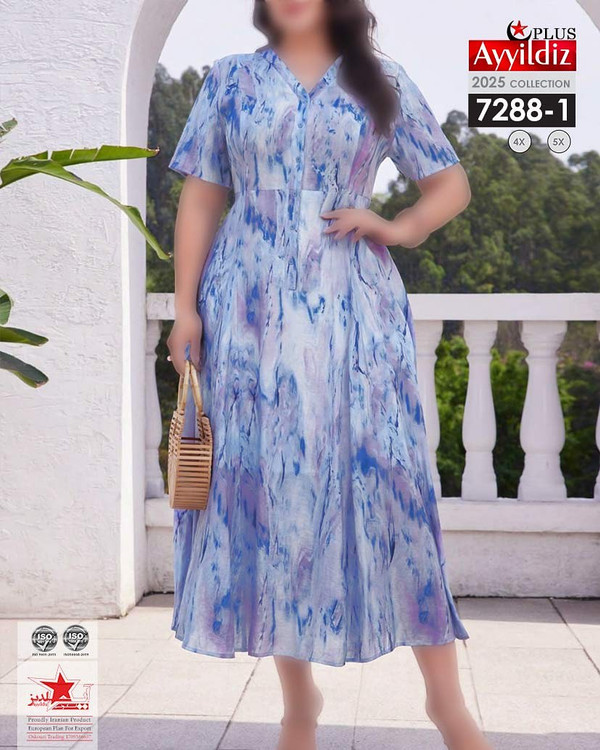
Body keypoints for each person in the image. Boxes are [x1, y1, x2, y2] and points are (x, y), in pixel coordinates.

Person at [166, 1, 491, 748]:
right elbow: (203, 194)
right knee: (274, 492)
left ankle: (446, 703)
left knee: (394, 490)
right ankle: (298, 705)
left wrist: (397, 226)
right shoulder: (230, 80)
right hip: (247, 308)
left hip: (356, 309)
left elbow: (450, 184)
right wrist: (185, 308)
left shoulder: (382, 80)